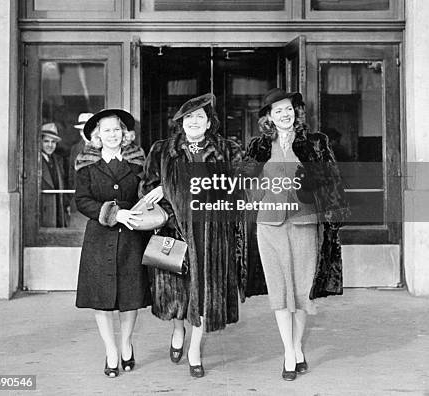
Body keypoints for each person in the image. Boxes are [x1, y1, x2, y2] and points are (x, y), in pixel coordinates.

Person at [245, 88, 348, 381]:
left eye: (288, 109)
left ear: (296, 112)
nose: (284, 115)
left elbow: (332, 181)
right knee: (279, 290)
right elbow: (247, 185)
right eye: (277, 111)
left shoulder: (315, 143)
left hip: (305, 222)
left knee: (302, 290)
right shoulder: (258, 147)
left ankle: (297, 347)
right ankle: (289, 351)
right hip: (270, 225)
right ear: (268, 117)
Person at [141, 93, 244, 379]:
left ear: (209, 122)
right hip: (176, 233)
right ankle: (177, 330)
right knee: (178, 296)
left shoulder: (227, 150)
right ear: (181, 123)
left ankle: (195, 350)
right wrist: (164, 190)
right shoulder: (163, 151)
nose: (194, 121)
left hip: (212, 234)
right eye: (189, 117)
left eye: (200, 117)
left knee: (204, 293)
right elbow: (146, 192)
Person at [74, 108, 159, 378]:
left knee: (130, 296)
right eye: (106, 130)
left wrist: (150, 200)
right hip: (100, 237)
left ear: (125, 134)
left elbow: (147, 194)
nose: (112, 134)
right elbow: (82, 200)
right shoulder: (86, 165)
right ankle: (111, 350)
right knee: (101, 298)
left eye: (116, 129)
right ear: (97, 135)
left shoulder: (138, 164)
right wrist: (113, 213)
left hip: (133, 236)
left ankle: (126, 344)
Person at [40, 122, 68, 228]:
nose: (50, 145)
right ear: (40, 142)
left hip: (58, 210)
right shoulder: (35, 161)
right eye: (46, 141)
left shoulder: (57, 160)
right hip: (44, 211)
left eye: (53, 142)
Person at [68, 113, 93, 189]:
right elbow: (71, 176)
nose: (85, 134)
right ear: (80, 132)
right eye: (82, 131)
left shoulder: (105, 147)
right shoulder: (75, 149)